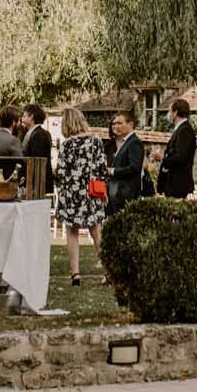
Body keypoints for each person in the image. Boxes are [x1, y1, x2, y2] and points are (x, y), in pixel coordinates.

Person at [54, 107, 110, 285]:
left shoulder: (66, 144)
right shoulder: (95, 141)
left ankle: (75, 272)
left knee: (71, 232)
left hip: (71, 193)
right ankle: (108, 271)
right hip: (91, 192)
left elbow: (60, 171)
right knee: (96, 232)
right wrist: (103, 191)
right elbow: (102, 168)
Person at [106, 109, 144, 217]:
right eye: (113, 123)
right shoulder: (110, 145)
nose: (115, 126)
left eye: (119, 123)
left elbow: (134, 168)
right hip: (112, 193)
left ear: (130, 124)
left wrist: (112, 171)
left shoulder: (134, 143)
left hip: (126, 195)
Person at [156, 98, 196, 199]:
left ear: (175, 113)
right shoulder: (180, 129)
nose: (168, 114)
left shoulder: (185, 130)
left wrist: (162, 158)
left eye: (170, 111)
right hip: (172, 184)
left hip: (178, 184)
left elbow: (180, 158)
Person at [20, 103, 54, 195]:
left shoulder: (39, 134)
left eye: (24, 116)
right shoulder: (30, 133)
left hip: (37, 183)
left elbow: (36, 159)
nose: (21, 118)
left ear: (31, 117)